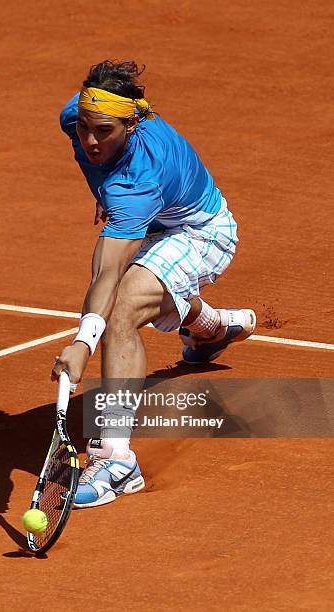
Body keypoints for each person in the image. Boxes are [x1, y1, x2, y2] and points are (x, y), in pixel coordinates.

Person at [51, 60, 256, 508]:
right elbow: (89, 132)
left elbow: (106, 271)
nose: (89, 141)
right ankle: (211, 328)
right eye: (84, 127)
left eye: (103, 132)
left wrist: (83, 343)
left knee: (124, 305)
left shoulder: (138, 182)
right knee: (141, 291)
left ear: (132, 123)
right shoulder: (78, 115)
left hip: (202, 233)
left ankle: (117, 461)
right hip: (154, 223)